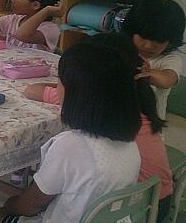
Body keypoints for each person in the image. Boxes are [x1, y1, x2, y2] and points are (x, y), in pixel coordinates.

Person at [0, 41, 142, 223]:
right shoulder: (131, 144)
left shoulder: (72, 145)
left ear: (75, 94)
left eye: (59, 81)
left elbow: (32, 205)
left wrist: (10, 206)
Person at [24, 33, 173, 219]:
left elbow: (32, 203)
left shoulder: (93, 114)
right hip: (149, 203)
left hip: (134, 208)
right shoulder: (129, 107)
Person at [121, 0, 185, 120]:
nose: (149, 45)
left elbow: (167, 80)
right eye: (143, 37)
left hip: (151, 125)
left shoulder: (169, 59)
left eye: (159, 40)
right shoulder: (123, 50)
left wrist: (145, 72)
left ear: (171, 41)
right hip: (121, 119)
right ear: (131, 31)